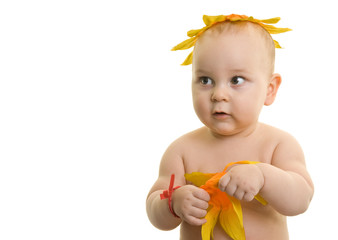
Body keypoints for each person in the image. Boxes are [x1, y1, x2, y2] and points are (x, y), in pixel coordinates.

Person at [146, 14, 314, 240]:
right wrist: (172, 204)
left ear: (269, 89)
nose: (218, 95)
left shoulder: (278, 145)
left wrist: (263, 176)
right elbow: (155, 210)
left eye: (236, 80)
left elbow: (300, 200)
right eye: (206, 80)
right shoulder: (181, 151)